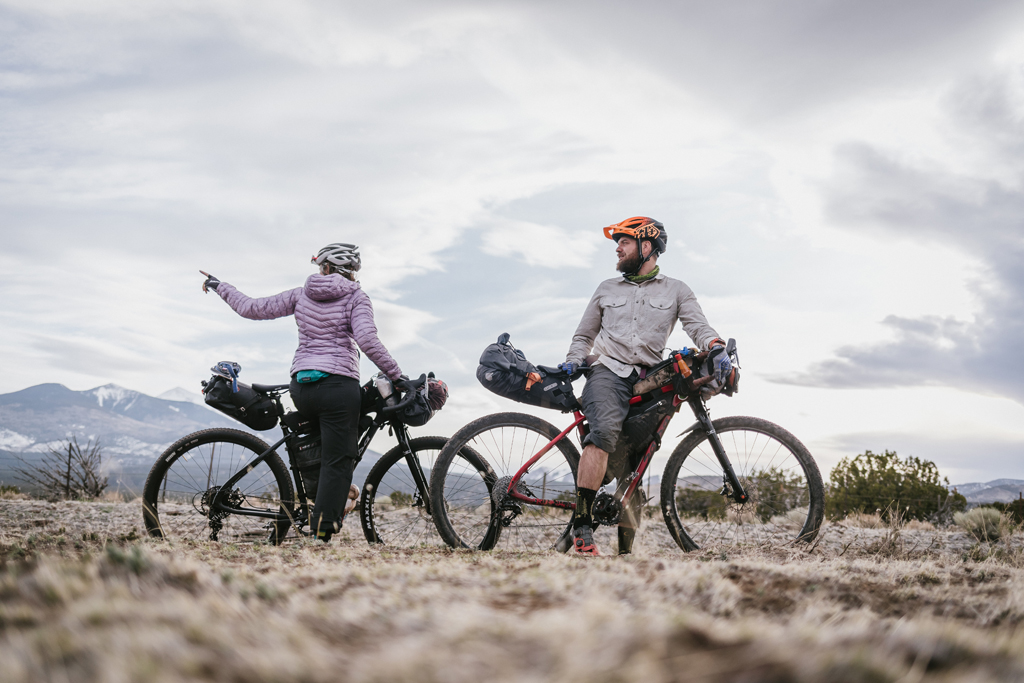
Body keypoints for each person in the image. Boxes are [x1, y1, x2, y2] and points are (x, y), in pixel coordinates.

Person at [200, 243, 404, 542]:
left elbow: (251, 308)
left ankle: (321, 503)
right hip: (338, 386)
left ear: (324, 268)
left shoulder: (301, 294)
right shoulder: (356, 297)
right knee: (339, 458)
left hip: (302, 387)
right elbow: (366, 339)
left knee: (326, 447)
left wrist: (220, 286)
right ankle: (321, 532)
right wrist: (398, 376)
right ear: (351, 271)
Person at [560, 217, 731, 556]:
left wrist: (715, 344)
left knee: (637, 463)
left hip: (649, 381)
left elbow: (698, 325)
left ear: (647, 246)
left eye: (624, 242)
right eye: (618, 243)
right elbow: (584, 335)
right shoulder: (606, 288)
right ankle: (581, 528)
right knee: (604, 433)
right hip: (607, 372)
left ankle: (624, 555)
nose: (618, 249)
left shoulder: (677, 290)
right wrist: (574, 359)